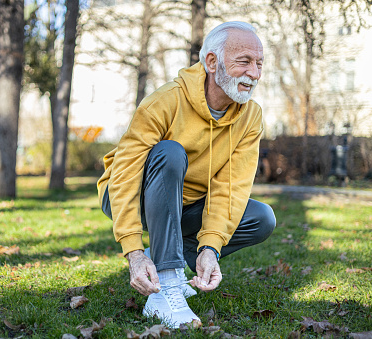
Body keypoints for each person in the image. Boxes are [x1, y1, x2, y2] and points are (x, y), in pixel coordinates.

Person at [97, 21, 276, 328]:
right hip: (132, 194)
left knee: (261, 218)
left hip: (187, 205)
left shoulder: (251, 116)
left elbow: (230, 188)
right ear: (211, 62)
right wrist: (135, 253)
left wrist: (210, 249)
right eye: (244, 62)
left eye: (259, 64)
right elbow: (124, 175)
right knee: (170, 152)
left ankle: (172, 263)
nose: (254, 74)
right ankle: (165, 285)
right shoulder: (165, 101)